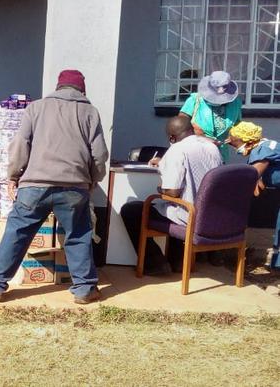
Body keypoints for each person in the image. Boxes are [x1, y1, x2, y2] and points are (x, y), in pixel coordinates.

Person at [0, 70, 109, 304]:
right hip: (74, 187)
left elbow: (20, 145)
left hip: (34, 185)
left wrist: (13, 176)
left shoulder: (36, 108)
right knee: (78, 235)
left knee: (17, 234)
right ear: (82, 90)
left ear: (58, 87)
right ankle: (85, 289)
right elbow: (99, 155)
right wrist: (93, 179)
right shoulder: (90, 112)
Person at [120, 116, 222, 275]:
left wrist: (161, 189)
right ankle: (178, 262)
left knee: (131, 210)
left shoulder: (177, 149)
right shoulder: (212, 148)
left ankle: (155, 264)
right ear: (191, 130)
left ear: (172, 137)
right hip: (208, 216)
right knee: (174, 206)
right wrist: (163, 162)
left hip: (187, 215)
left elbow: (173, 192)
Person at [226, 121, 280, 270]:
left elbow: (251, 176)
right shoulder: (266, 145)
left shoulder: (261, 150)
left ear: (246, 140)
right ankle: (277, 265)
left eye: (234, 142)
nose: (232, 145)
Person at [179, 70, 242, 161]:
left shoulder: (235, 103)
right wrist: (196, 131)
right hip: (196, 152)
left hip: (221, 155)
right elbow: (180, 123)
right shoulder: (194, 100)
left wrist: (234, 139)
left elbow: (237, 125)